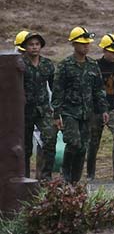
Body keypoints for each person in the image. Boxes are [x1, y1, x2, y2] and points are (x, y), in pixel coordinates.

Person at [52, 27, 109, 184]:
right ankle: (66, 173)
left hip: (87, 113)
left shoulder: (92, 65)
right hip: (69, 112)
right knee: (73, 143)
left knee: (83, 147)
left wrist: (103, 109)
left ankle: (74, 181)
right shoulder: (64, 65)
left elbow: (99, 89)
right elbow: (58, 91)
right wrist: (57, 114)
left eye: (87, 44)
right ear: (74, 44)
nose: (86, 46)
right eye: (82, 44)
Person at [87, 34, 114, 181]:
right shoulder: (94, 65)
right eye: (112, 52)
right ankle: (90, 174)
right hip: (95, 109)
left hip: (112, 108)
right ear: (104, 51)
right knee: (93, 142)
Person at [21, 32, 57, 180]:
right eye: (31, 44)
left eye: (37, 44)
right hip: (24, 110)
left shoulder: (47, 64)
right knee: (25, 147)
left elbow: (55, 88)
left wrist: (57, 110)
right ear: (25, 47)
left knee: (50, 140)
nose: (34, 47)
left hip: (43, 110)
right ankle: (24, 178)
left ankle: (45, 177)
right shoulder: (20, 64)